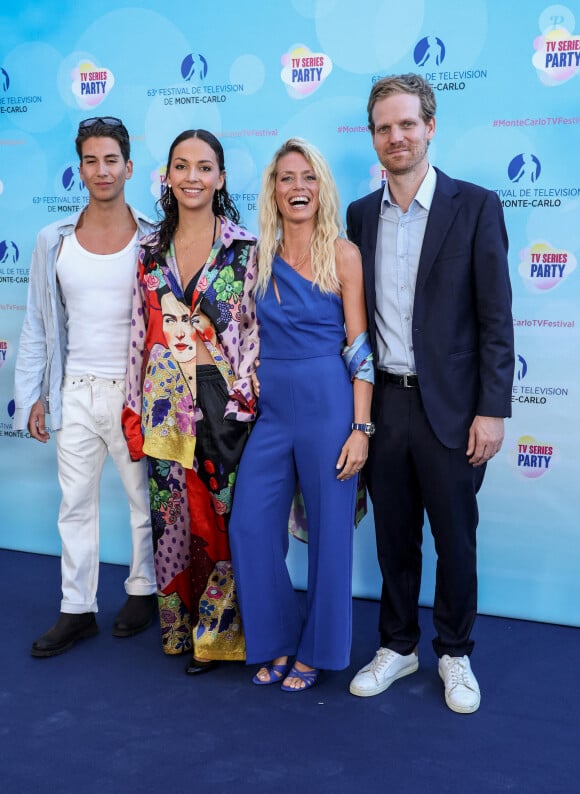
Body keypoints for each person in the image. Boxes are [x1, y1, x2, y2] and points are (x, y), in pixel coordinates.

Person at [346, 74, 514, 713]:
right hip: (385, 406)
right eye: (385, 127)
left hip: (453, 409)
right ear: (374, 136)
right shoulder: (360, 216)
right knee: (393, 537)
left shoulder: (475, 206)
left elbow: (497, 319)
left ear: (430, 127)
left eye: (407, 124)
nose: (396, 137)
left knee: (455, 538)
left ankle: (455, 651)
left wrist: (491, 410)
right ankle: (397, 644)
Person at [229, 138, 373, 692]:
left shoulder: (342, 254)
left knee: (332, 534)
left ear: (322, 189)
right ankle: (278, 639)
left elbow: (360, 349)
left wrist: (360, 428)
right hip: (273, 409)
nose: (298, 188)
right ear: (273, 190)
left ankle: (318, 651)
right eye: (287, 178)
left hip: (329, 405)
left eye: (308, 177)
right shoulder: (257, 257)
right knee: (249, 525)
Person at [14, 117, 157, 657]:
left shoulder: (151, 237)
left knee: (143, 501)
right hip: (73, 389)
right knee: (74, 504)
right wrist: (32, 395)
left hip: (135, 395)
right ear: (80, 169)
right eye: (91, 161)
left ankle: (142, 593)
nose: (102, 170)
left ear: (128, 166)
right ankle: (77, 608)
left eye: (111, 160)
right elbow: (37, 324)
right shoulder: (53, 241)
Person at [122, 129, 258, 675]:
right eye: (182, 166)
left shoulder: (244, 249)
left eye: (204, 167)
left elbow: (253, 334)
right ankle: (179, 632)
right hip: (164, 407)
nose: (192, 176)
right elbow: (138, 333)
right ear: (167, 177)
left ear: (220, 178)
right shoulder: (149, 251)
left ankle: (220, 637)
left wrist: (243, 403)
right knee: (172, 522)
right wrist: (134, 406)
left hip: (223, 403)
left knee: (221, 525)